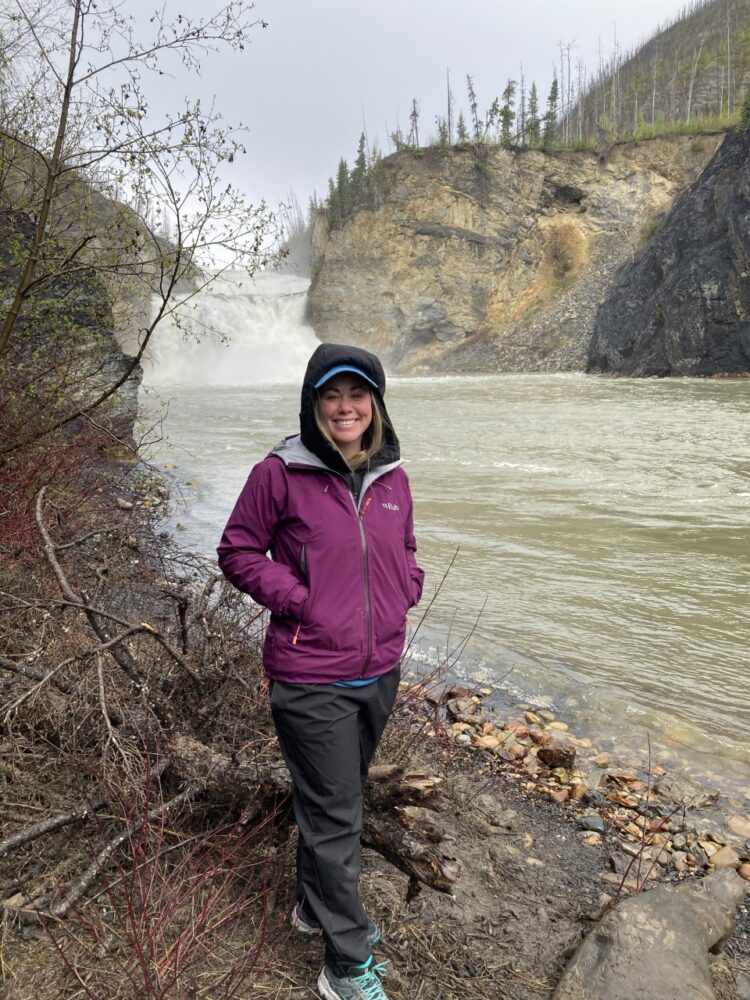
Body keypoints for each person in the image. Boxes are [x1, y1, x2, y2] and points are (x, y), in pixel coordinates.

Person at [217, 342, 424, 1000]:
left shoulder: (393, 475)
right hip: (310, 675)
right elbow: (238, 549)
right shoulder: (281, 472)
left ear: (376, 404)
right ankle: (344, 964)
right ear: (312, 404)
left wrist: (406, 588)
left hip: (379, 667)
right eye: (330, 395)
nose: (345, 407)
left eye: (357, 395)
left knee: (334, 800)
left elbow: (406, 548)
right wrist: (299, 598)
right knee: (337, 815)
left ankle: (313, 909)